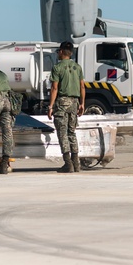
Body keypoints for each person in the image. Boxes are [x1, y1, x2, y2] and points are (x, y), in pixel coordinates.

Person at [48, 41, 86, 173]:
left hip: (62, 103)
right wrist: (82, 103)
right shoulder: (77, 67)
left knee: (62, 133)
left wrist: (51, 106)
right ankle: (76, 163)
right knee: (71, 132)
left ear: (61, 52)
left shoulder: (57, 68)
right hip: (74, 103)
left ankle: (68, 163)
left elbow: (54, 88)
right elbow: (82, 86)